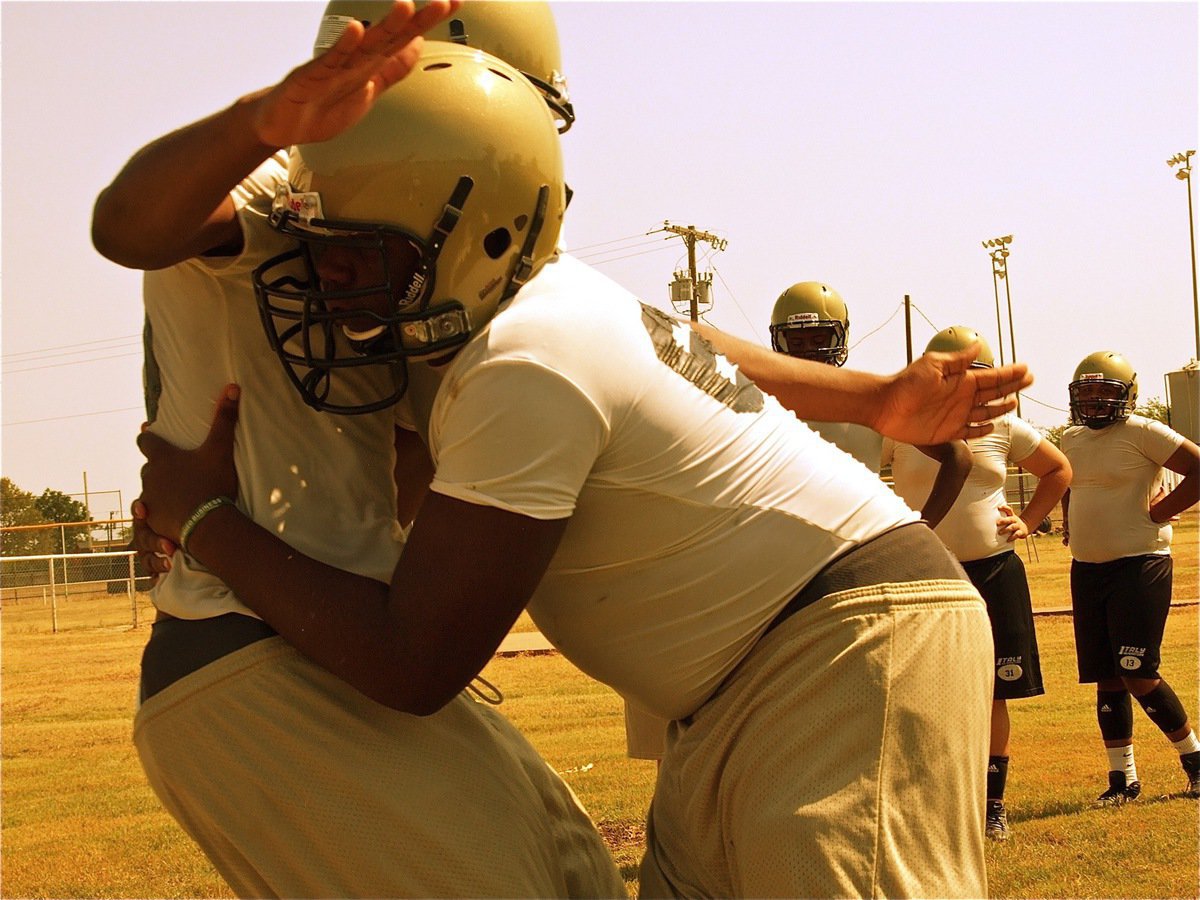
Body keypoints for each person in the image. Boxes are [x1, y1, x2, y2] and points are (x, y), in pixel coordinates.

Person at [128, 17, 1033, 898]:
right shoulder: (518, 304)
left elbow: (416, 659)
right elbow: (680, 339)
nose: (328, 285)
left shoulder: (523, 355)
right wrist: (873, 399)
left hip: (834, 651)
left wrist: (205, 519)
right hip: (759, 672)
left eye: (360, 253)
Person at [93, 4, 625, 897]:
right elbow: (126, 227)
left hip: (347, 630)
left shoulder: (414, 231)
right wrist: (260, 120)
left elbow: (404, 471)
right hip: (247, 644)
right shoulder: (286, 189)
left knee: (580, 881)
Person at [623, 283, 973, 765]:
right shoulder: (755, 392)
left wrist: (918, 529)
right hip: (761, 572)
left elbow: (956, 455)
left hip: (840, 576)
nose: (809, 349)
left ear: (843, 335)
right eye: (797, 339)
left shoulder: (865, 395)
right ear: (776, 340)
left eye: (820, 337)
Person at [882, 326, 1071, 841]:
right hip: (926, 574)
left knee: (994, 692)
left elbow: (1057, 470)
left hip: (994, 570)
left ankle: (992, 806)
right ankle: (931, 800)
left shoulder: (1004, 425)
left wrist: (1028, 522)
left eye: (973, 376)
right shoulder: (900, 426)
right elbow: (855, 471)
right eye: (952, 375)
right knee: (920, 692)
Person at [1061, 350, 1200, 805]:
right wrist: (1070, 523)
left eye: (1106, 392)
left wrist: (1160, 510)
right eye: (1087, 393)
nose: (1096, 401)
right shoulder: (1071, 438)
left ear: (1128, 396)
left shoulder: (1143, 431)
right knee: (1107, 675)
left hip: (1141, 562)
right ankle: (1123, 779)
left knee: (1137, 668)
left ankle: (1195, 760)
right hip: (1088, 568)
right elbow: (1070, 486)